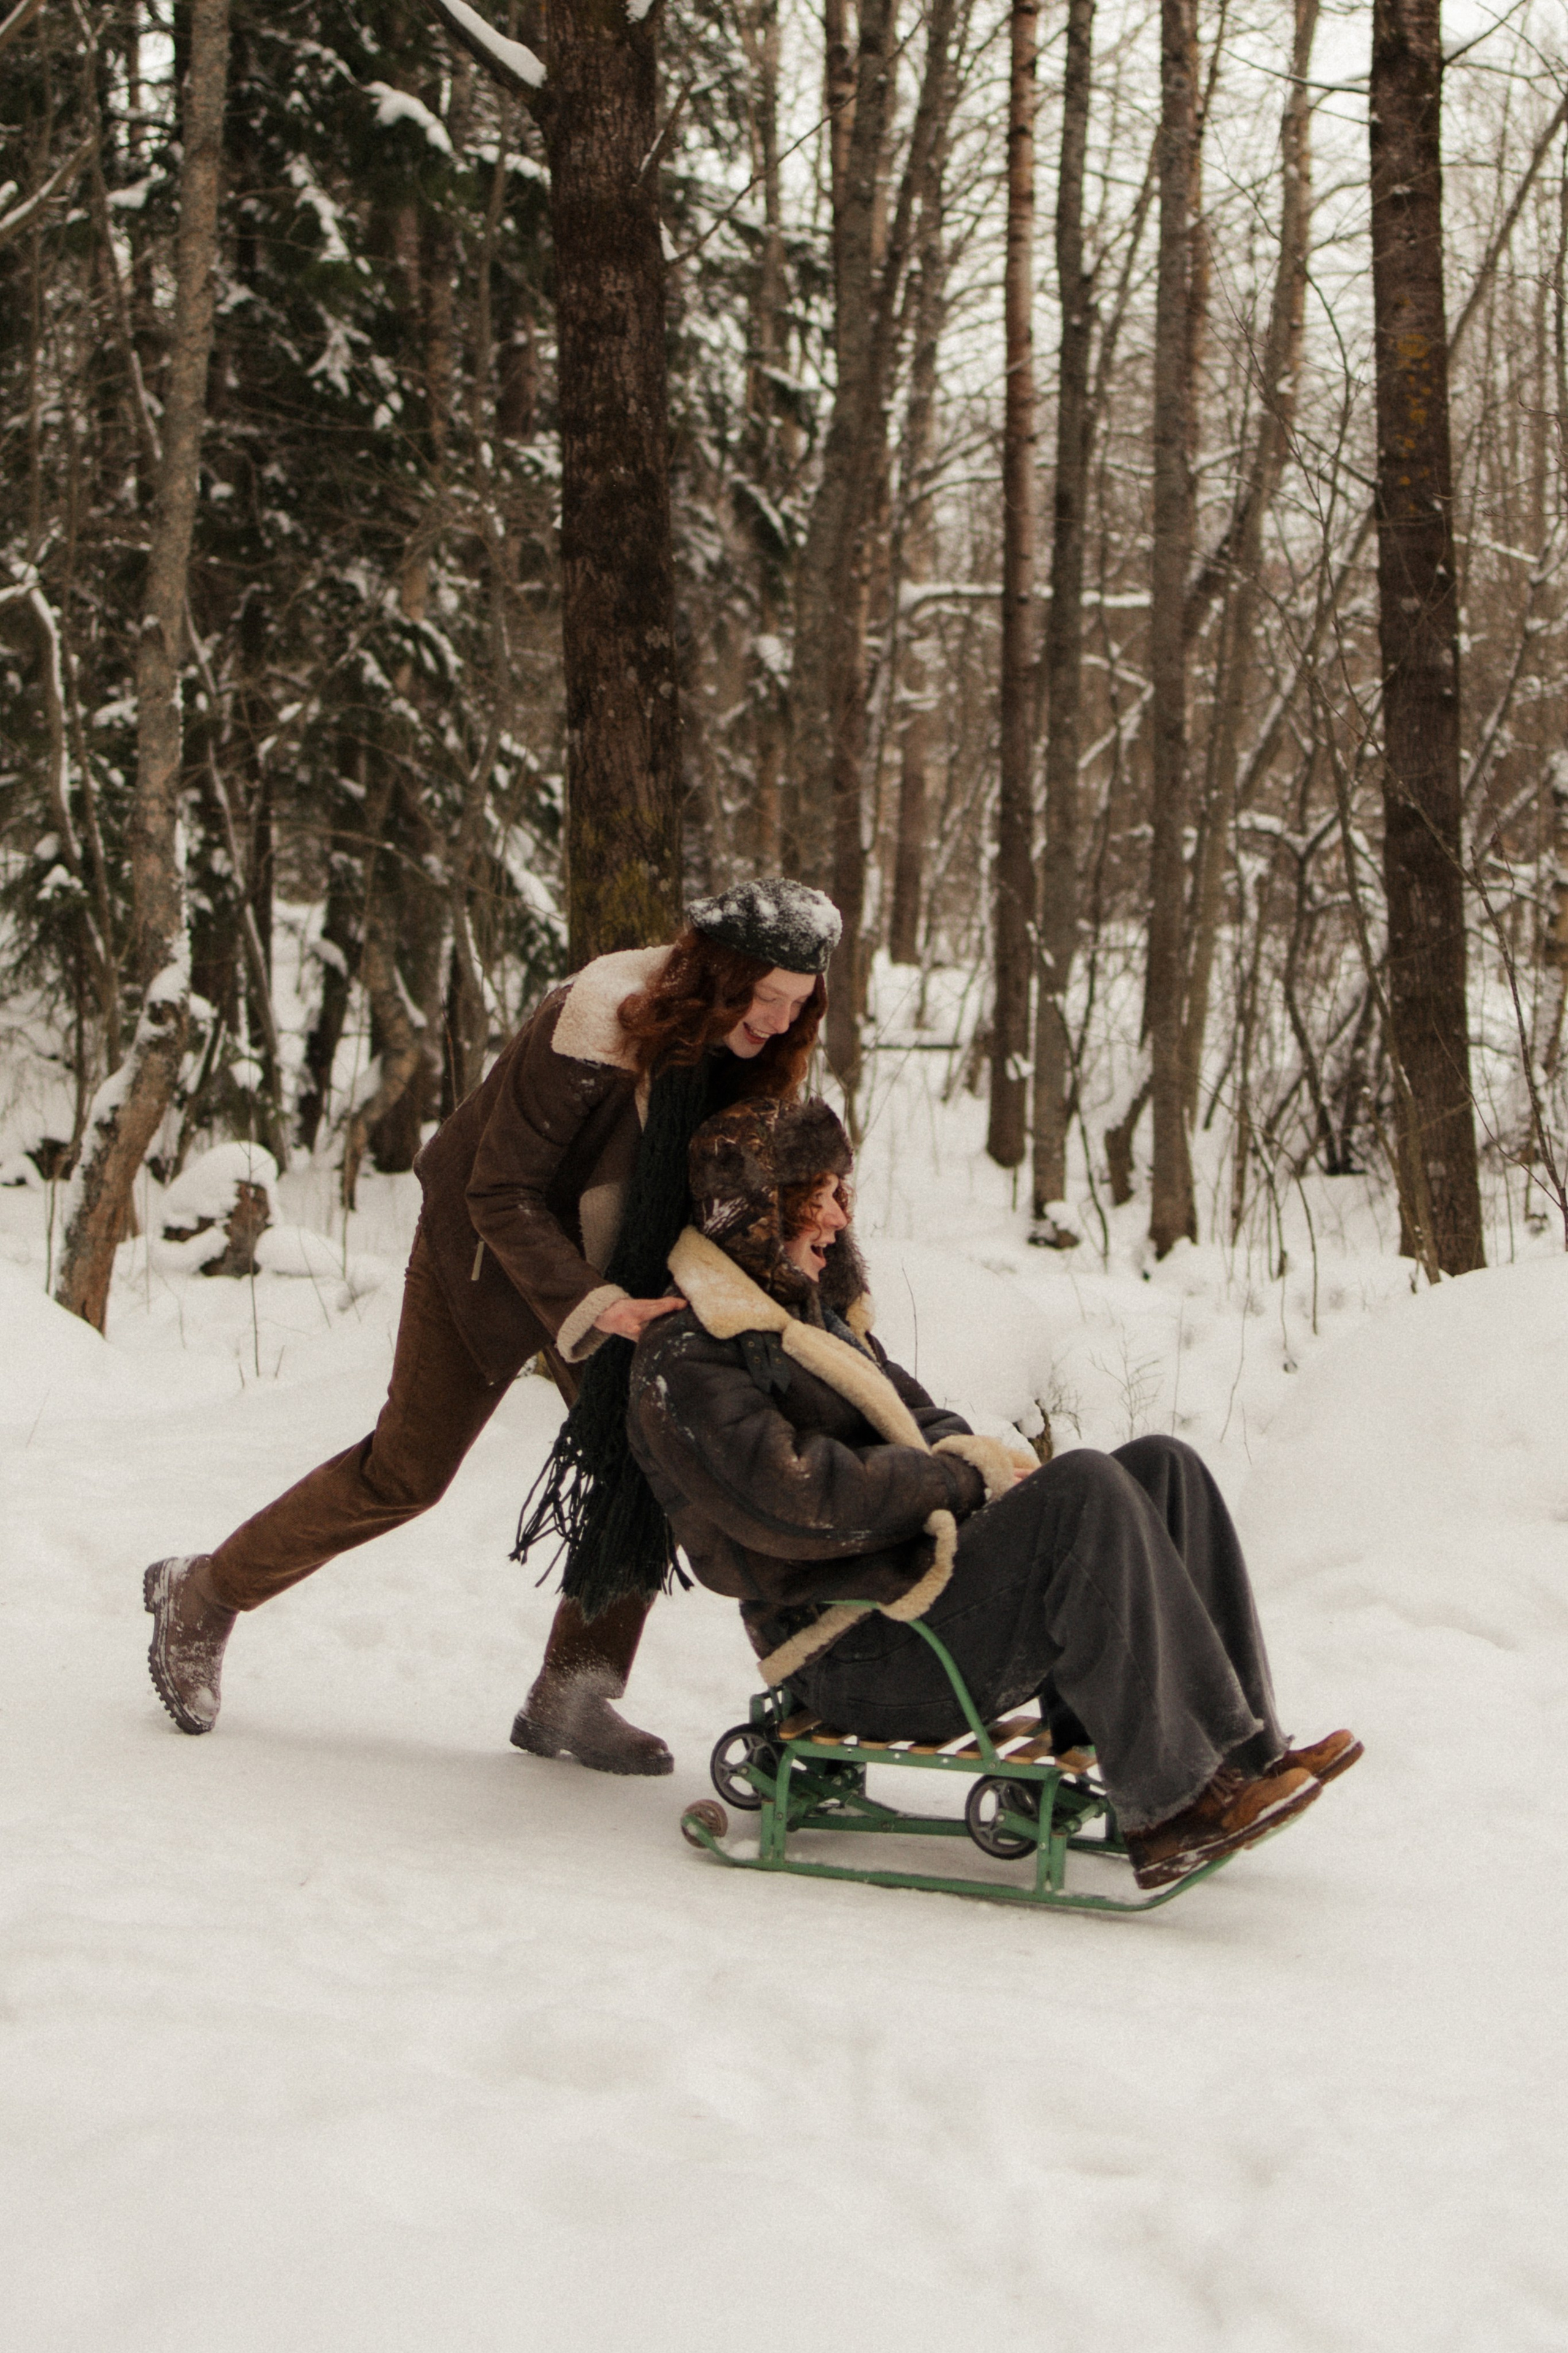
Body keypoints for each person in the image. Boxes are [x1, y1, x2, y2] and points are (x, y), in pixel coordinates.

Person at [143, 878, 842, 1774]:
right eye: (766, 997)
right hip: (482, 1251)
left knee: (654, 1458)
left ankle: (573, 1693)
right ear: (718, 975)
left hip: (617, 1267)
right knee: (407, 1471)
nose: (781, 1022)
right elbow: (499, 1190)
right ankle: (202, 1594)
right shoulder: (596, 1020)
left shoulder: (754, 1056)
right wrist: (593, 1304)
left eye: (799, 1005)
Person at [627, 1099, 1362, 1888]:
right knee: (1084, 1489)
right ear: (758, 1214)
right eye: (824, 1196)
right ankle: (1175, 1809)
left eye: (844, 1193)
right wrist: (960, 1478)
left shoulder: (815, 1321)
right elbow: (791, 1496)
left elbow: (923, 1415)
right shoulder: (691, 1355)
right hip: (854, 1651)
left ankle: (1244, 1757)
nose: (843, 1217)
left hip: (921, 1600)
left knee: (1162, 1466)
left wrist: (988, 1468)